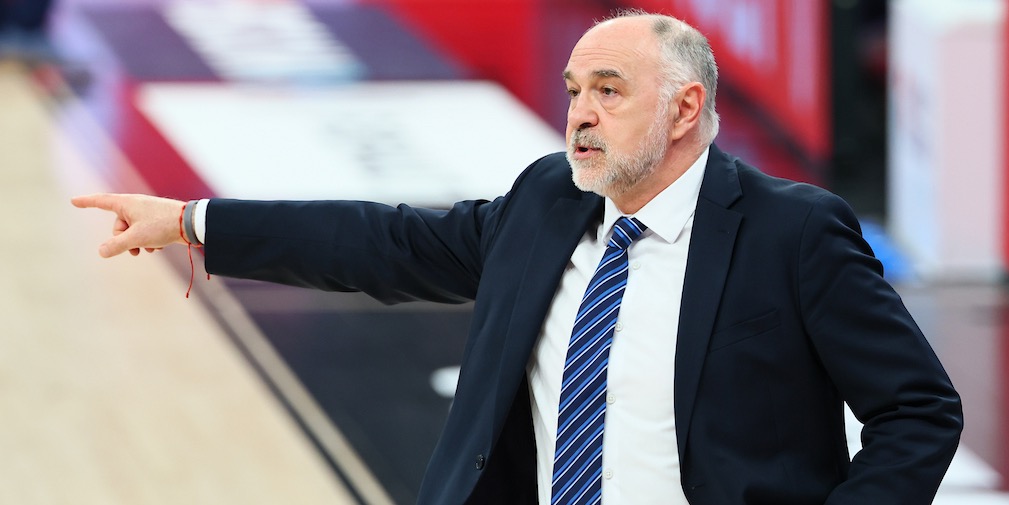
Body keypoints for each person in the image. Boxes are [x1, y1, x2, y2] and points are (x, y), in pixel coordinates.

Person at [72, 10, 962, 505]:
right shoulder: (546, 201)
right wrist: (194, 220)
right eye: (574, 90)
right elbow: (384, 243)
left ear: (685, 109)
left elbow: (917, 409)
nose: (580, 113)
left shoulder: (791, 232)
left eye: (609, 91)